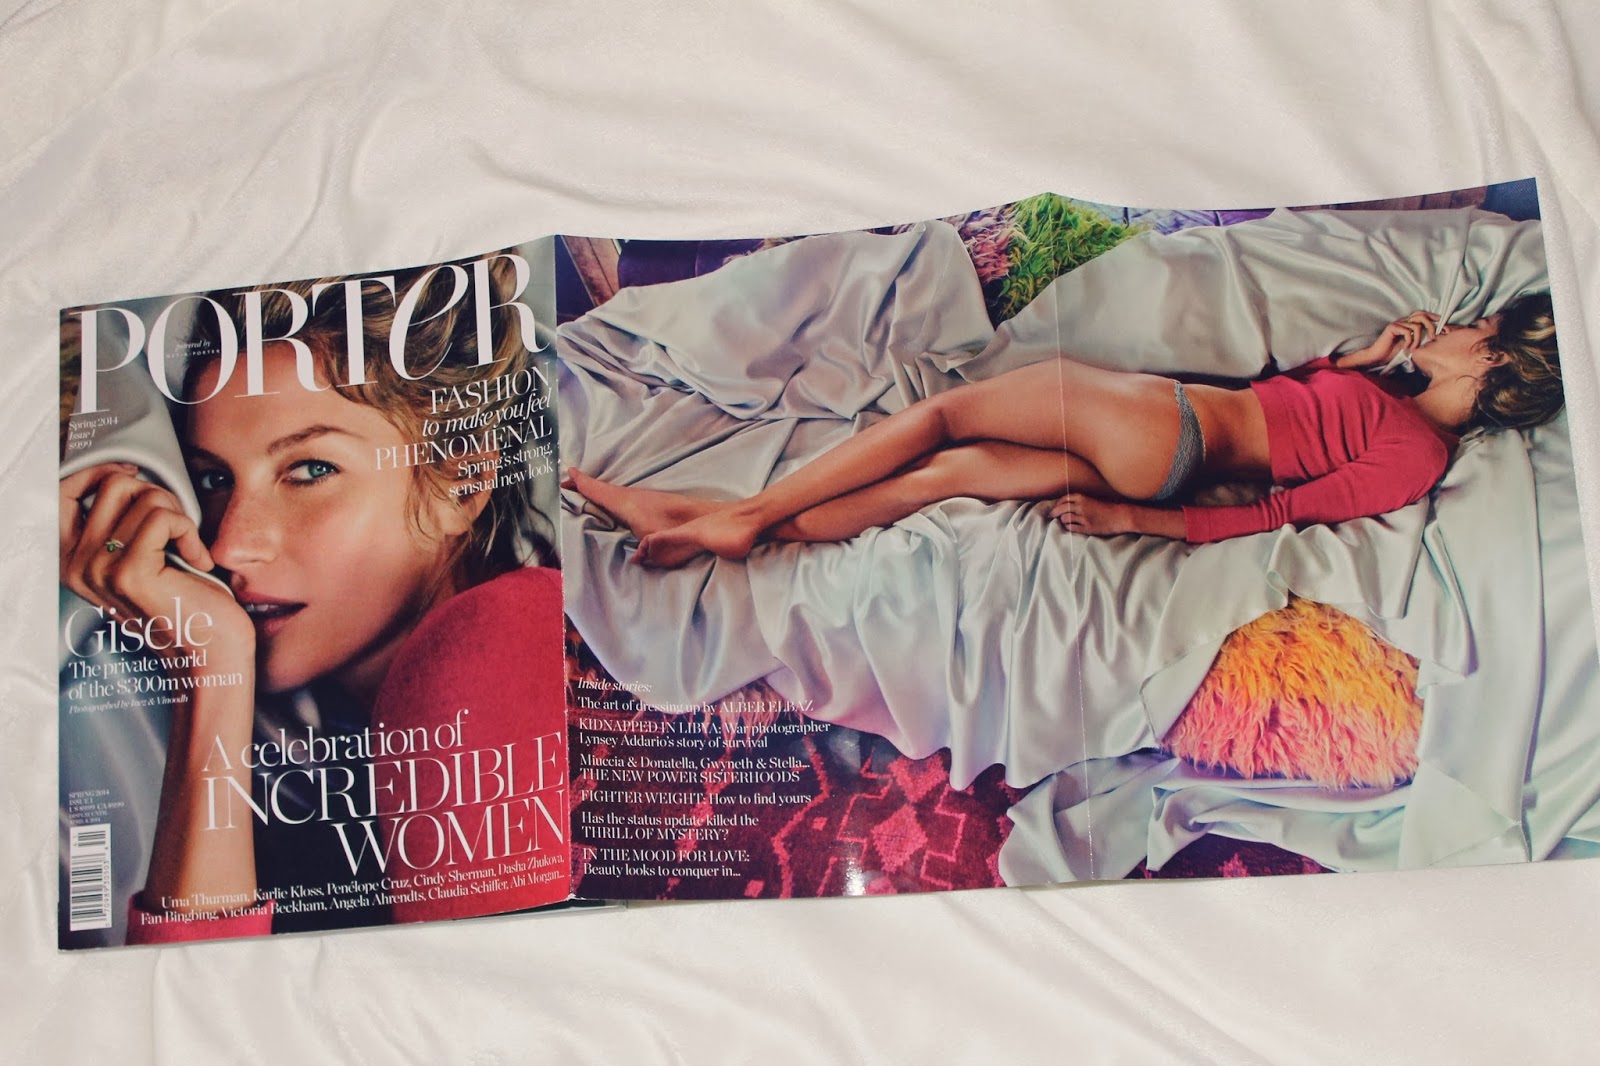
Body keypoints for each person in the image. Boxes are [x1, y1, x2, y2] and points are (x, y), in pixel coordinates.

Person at [58, 257, 563, 940]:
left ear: (460, 479)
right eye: (212, 479)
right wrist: (211, 664)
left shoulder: (514, 639)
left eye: (310, 470)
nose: (230, 546)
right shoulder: (308, 737)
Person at [567, 294, 1561, 566]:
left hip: (1167, 428)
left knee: (938, 415)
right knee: (943, 473)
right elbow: (1295, 409)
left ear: (1492, 363)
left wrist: (1148, 528)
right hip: (1160, 455)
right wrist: (1368, 359)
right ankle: (700, 519)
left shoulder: (1416, 456)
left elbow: (1286, 511)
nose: (1456, 324)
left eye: (1476, 327)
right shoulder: (1397, 410)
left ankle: (745, 516)